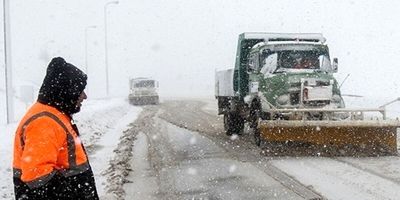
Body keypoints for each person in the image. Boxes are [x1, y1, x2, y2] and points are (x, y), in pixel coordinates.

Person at [13, 57, 99, 199]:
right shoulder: (44, 121)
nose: (84, 96)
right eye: (80, 90)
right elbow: (37, 180)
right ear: (68, 90)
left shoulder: (55, 114)